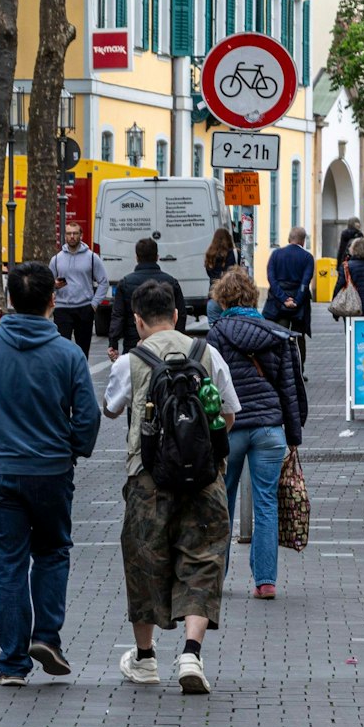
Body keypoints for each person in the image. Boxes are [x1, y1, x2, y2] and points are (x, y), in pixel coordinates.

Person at [0, 261, 100, 684]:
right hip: (52, 468)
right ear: (52, 301)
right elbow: (87, 417)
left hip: (0, 469)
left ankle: (12, 662)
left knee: (10, 563)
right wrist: (73, 449)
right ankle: (47, 637)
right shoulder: (67, 353)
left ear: (8, 302)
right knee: (53, 551)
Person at [103, 280, 239, 694]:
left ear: (138, 321)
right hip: (205, 477)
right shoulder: (207, 353)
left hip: (148, 478)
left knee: (144, 562)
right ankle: (191, 653)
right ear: (177, 315)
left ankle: (145, 659)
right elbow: (230, 414)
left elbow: (110, 410)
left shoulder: (131, 360)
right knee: (204, 558)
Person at [205, 267, 306, 599]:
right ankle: (265, 581)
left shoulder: (217, 334)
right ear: (252, 296)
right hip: (268, 429)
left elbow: (211, 387)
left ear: (222, 299)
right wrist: (293, 436)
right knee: (265, 502)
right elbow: (290, 389)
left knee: (223, 501)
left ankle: (215, 578)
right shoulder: (276, 334)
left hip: (230, 427)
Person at [106, 237, 185, 361]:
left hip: (133, 342)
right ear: (157, 257)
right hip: (167, 344)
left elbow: (118, 315)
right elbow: (181, 313)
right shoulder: (171, 282)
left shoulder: (125, 283)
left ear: (137, 257)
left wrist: (113, 343)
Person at [48, 223, 107, 357]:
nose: (72, 236)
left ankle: (81, 376)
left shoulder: (92, 258)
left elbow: (104, 282)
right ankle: (64, 376)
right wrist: (54, 286)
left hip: (85, 308)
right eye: (69, 234)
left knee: (83, 350)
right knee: (62, 350)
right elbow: (47, 283)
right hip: (62, 309)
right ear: (65, 236)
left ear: (81, 235)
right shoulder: (56, 259)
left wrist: (94, 304)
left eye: (75, 233)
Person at [264, 227, 314, 363]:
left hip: (278, 304)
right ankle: (299, 368)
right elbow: (305, 282)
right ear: (303, 241)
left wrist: (284, 298)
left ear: (289, 238)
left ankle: (280, 366)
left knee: (279, 335)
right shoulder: (307, 258)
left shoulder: (276, 255)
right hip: (300, 305)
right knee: (299, 337)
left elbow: (271, 279)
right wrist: (296, 300)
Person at [202, 227, 238, 321]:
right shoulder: (232, 253)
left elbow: (209, 274)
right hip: (229, 295)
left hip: (213, 295)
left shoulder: (209, 255)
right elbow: (232, 272)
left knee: (215, 329)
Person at [332, 218, 362, 292]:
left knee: (343, 282)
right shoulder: (359, 234)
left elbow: (341, 249)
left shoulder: (344, 233)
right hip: (357, 262)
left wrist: (338, 265)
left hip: (345, 260)